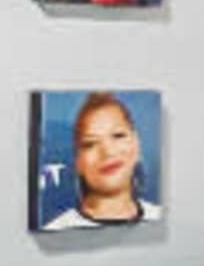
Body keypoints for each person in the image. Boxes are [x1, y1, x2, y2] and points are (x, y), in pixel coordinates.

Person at [38, 92, 160, 232]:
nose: (108, 152)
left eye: (118, 136)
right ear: (78, 162)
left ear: (136, 144)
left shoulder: (157, 215)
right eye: (90, 144)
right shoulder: (57, 229)